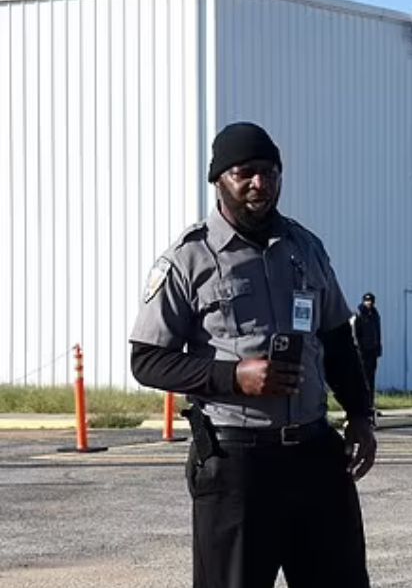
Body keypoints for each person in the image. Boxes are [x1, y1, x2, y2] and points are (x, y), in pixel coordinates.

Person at [128, 122, 376, 588]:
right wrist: (234, 377)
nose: (260, 184)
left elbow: (339, 338)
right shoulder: (189, 259)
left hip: (315, 456)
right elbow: (147, 359)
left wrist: (362, 415)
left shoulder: (307, 248)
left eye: (270, 172)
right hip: (236, 465)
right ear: (219, 179)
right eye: (245, 173)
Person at [353, 292, 382, 411]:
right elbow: (356, 334)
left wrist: (379, 347)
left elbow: (378, 332)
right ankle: (361, 405)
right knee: (362, 379)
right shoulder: (359, 315)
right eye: (366, 300)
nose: (369, 303)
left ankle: (370, 404)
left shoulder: (375, 315)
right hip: (363, 352)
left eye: (371, 301)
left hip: (372, 352)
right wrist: (359, 350)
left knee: (371, 379)